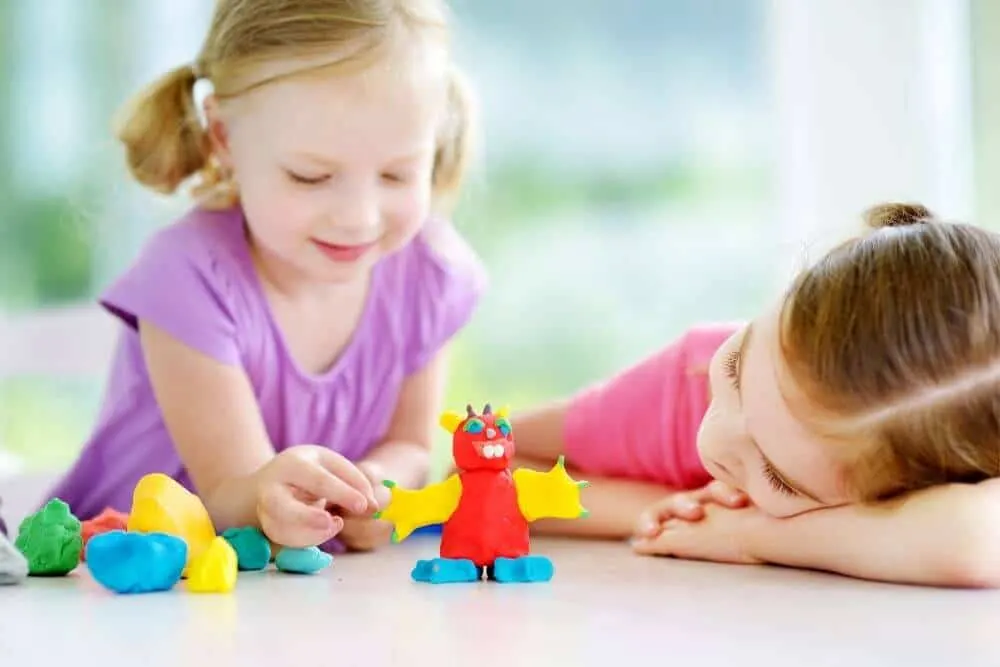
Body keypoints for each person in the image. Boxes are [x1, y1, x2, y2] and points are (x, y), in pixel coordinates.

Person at [45, 0, 485, 555]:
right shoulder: (188, 277)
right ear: (224, 138)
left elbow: (412, 444)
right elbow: (230, 492)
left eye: (398, 173)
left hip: (301, 596)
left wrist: (380, 487)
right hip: (124, 578)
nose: (358, 216)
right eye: (311, 176)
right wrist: (266, 495)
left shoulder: (429, 273)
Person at [512, 203, 1000, 587]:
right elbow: (492, 467)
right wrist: (661, 510)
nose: (712, 443)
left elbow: (977, 539)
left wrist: (753, 535)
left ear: (914, 495)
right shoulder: (692, 380)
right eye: (736, 369)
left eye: (776, 477)